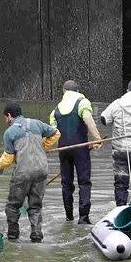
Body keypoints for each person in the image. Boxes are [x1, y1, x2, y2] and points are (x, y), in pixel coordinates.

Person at [0, 103, 59, 242]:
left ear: (9, 116)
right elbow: (56, 133)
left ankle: (13, 236)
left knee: (13, 206)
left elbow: (8, 159)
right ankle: (36, 235)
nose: (5, 121)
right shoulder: (37, 124)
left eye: (5, 118)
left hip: (22, 173)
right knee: (35, 206)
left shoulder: (9, 133)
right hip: (42, 171)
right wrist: (42, 146)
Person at [49, 79, 103, 223]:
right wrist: (97, 138)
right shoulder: (83, 102)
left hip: (63, 150)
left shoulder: (55, 110)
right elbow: (87, 119)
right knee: (84, 182)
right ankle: (83, 218)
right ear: (77, 91)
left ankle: (69, 217)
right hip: (80, 148)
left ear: (64, 92)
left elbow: (53, 134)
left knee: (66, 184)